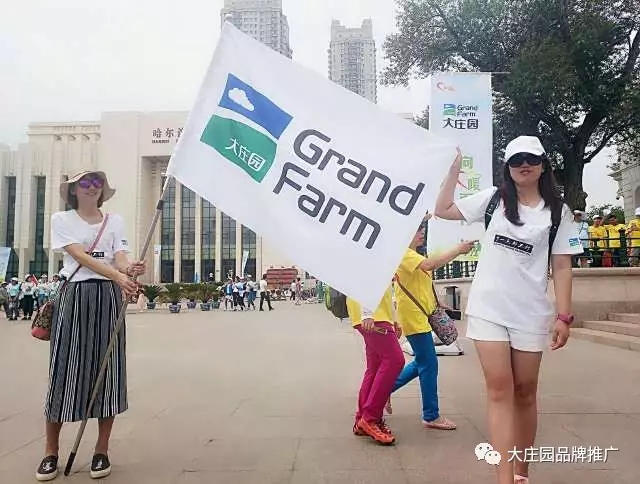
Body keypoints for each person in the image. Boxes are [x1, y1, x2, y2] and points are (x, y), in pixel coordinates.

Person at [434, 137, 583, 484]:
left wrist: (564, 316)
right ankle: (504, 478)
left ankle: (521, 472)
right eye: (516, 160)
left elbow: (562, 266)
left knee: (525, 391)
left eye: (531, 158)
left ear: (543, 164)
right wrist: (453, 171)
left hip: (530, 312)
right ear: (508, 167)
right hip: (489, 307)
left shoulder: (559, 212)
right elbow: (444, 209)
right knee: (500, 390)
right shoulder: (493, 199)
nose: (524, 164)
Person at [36, 171, 144, 481]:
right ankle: (51, 452)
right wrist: (118, 275)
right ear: (73, 190)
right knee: (63, 370)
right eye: (84, 183)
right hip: (75, 295)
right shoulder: (62, 219)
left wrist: (130, 268)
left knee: (108, 371)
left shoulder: (114, 221)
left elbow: (119, 257)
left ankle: (101, 450)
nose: (91, 188)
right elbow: (79, 256)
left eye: (96, 183)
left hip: (107, 298)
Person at [389, 217, 475, 430]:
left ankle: (382, 390)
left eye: (422, 229)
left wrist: (437, 303)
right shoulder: (404, 254)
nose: (421, 233)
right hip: (413, 317)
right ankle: (431, 415)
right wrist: (458, 250)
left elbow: (424, 282)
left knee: (423, 361)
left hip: (422, 314)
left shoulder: (414, 254)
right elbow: (430, 265)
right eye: (417, 230)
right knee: (428, 363)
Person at [347, 285, 404, 445]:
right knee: (395, 360)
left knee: (375, 367)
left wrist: (393, 319)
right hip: (373, 315)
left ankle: (362, 419)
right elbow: (363, 277)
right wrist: (367, 313)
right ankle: (370, 418)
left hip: (377, 314)